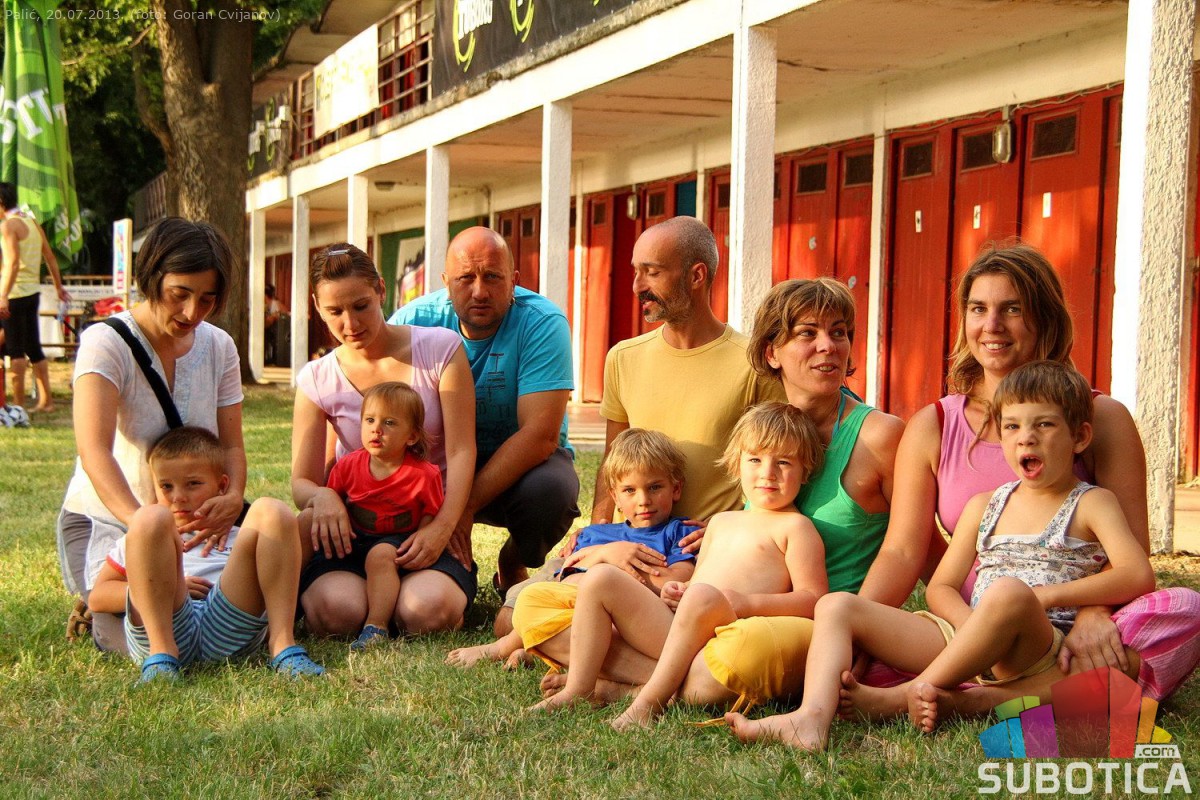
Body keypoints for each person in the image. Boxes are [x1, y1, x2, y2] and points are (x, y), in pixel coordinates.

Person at [726, 361, 1155, 749]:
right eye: (1011, 426)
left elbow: (1137, 574)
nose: (1026, 437)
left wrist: (1046, 597)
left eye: (1044, 425)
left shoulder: (1092, 503)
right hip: (966, 632)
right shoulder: (985, 505)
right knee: (836, 606)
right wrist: (973, 631)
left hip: (1040, 645)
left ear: (1080, 437)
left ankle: (909, 693)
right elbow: (942, 587)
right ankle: (811, 719)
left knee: (1009, 593)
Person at [852, 242, 1200, 711]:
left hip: (1074, 618)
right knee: (869, 650)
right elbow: (901, 551)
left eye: (1012, 309)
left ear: (1045, 320)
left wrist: (1093, 615)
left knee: (1184, 612)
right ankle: (1024, 685)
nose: (992, 325)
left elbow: (1133, 554)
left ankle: (968, 697)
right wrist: (865, 629)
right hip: (975, 619)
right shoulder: (935, 424)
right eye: (979, 309)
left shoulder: (1101, 417)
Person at [492, 216, 784, 640]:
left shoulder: (751, 363)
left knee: (595, 622)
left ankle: (602, 642)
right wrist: (598, 536)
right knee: (509, 620)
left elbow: (777, 464)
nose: (636, 286)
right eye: (636, 271)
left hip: (690, 557)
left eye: (652, 272)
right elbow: (613, 461)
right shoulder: (623, 357)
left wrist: (731, 529)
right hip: (623, 544)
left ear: (696, 276)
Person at [515, 403, 827, 722]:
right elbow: (699, 578)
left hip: (728, 636)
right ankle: (579, 689)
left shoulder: (796, 528)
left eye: (783, 462)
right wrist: (678, 590)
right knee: (601, 579)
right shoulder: (720, 522)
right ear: (737, 464)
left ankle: (647, 701)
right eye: (755, 460)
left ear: (806, 471)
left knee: (702, 598)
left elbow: (814, 599)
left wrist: (745, 604)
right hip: (678, 629)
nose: (767, 473)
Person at [57, 217, 247, 652]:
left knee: (229, 622)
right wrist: (145, 529)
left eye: (207, 299)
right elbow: (94, 451)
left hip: (191, 514)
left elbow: (232, 445)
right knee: (137, 640)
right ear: (152, 277)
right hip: (114, 521)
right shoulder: (106, 342)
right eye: (179, 294)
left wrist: (233, 496)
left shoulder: (219, 347)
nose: (191, 313)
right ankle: (105, 598)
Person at [293, 243, 476, 638]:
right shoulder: (316, 378)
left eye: (361, 306)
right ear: (317, 307)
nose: (350, 323)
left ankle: (411, 599)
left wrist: (443, 527)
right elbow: (301, 482)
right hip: (354, 533)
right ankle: (373, 606)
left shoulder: (440, 350)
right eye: (334, 312)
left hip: (423, 523)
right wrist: (323, 496)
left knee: (426, 613)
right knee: (335, 615)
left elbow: (462, 449)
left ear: (380, 289)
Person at [389, 227, 579, 595]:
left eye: (492, 277)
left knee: (551, 491)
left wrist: (461, 508)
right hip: (438, 464)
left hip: (520, 467)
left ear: (514, 280)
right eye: (466, 278)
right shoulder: (413, 322)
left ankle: (512, 560)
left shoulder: (542, 322)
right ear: (446, 282)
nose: (479, 291)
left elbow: (540, 436)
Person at [447, 428, 698, 669]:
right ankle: (539, 650)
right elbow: (563, 581)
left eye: (655, 487)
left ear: (676, 489)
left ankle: (505, 647)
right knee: (538, 601)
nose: (643, 500)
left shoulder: (680, 532)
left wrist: (610, 569)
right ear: (615, 497)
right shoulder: (597, 535)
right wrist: (604, 554)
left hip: (634, 620)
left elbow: (678, 579)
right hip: (579, 617)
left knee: (584, 590)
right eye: (630, 490)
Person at [88, 427, 324, 682]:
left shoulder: (241, 534)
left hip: (229, 625)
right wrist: (163, 588)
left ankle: (282, 645)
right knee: (149, 516)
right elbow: (97, 599)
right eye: (166, 486)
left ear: (222, 485)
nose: (178, 497)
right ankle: (161, 656)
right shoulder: (145, 537)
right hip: (166, 623)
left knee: (272, 509)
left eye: (193, 484)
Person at [318, 382, 445, 651]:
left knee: (380, 555)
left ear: (411, 436)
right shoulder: (348, 465)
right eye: (370, 420)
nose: (376, 429)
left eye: (389, 423)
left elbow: (430, 514)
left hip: (398, 540)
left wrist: (419, 543)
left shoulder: (424, 474)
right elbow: (333, 499)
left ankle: (376, 626)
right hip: (354, 538)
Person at [0, 182, 70, 413]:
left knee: (15, 350)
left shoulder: (8, 226)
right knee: (33, 347)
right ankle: (46, 401)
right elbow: (50, 257)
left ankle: (18, 407)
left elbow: (12, 263)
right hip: (32, 292)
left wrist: (3, 295)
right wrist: (58, 288)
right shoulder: (31, 221)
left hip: (15, 293)